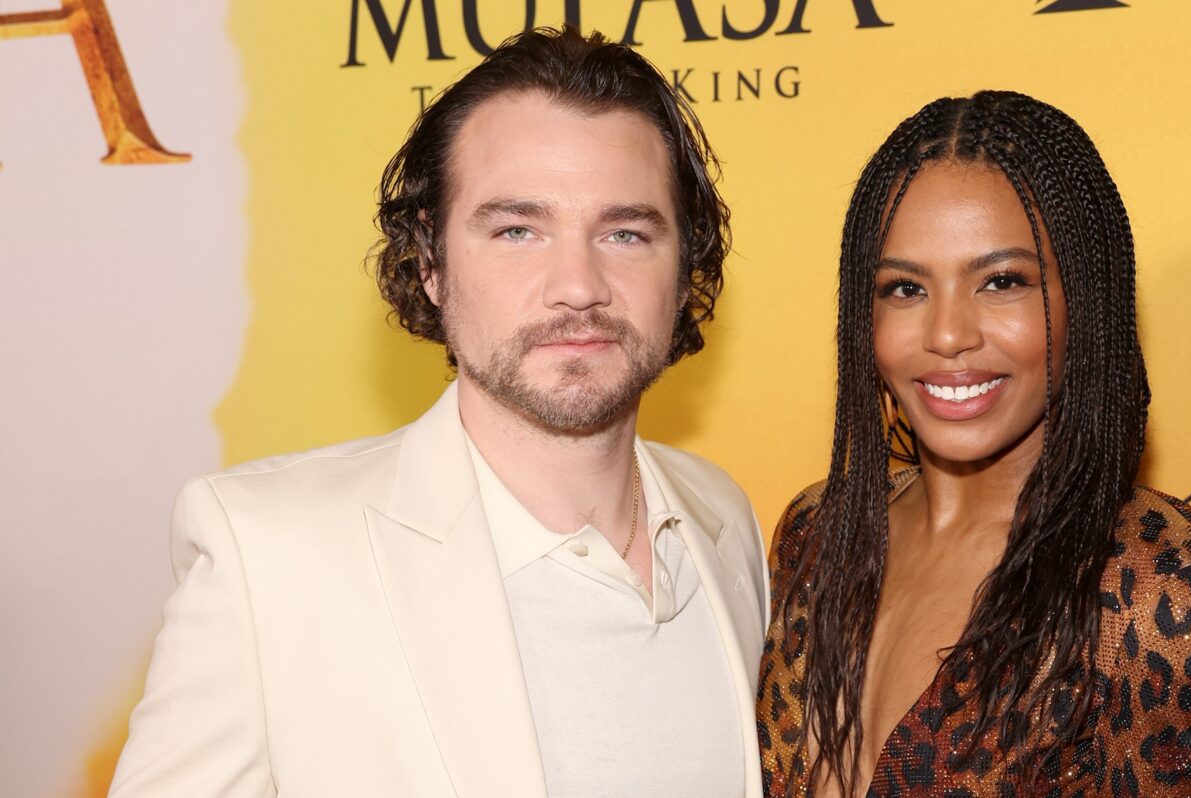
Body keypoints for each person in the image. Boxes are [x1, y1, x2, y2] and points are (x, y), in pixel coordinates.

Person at [110, 27, 767, 798]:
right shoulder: (268, 557)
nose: (578, 284)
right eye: (517, 230)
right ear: (429, 263)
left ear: (685, 263)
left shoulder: (725, 518)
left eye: (624, 232)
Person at [757, 91, 1191, 797]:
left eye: (1001, 281)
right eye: (905, 288)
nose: (947, 334)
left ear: (1085, 301)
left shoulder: (1168, 594)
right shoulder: (818, 534)